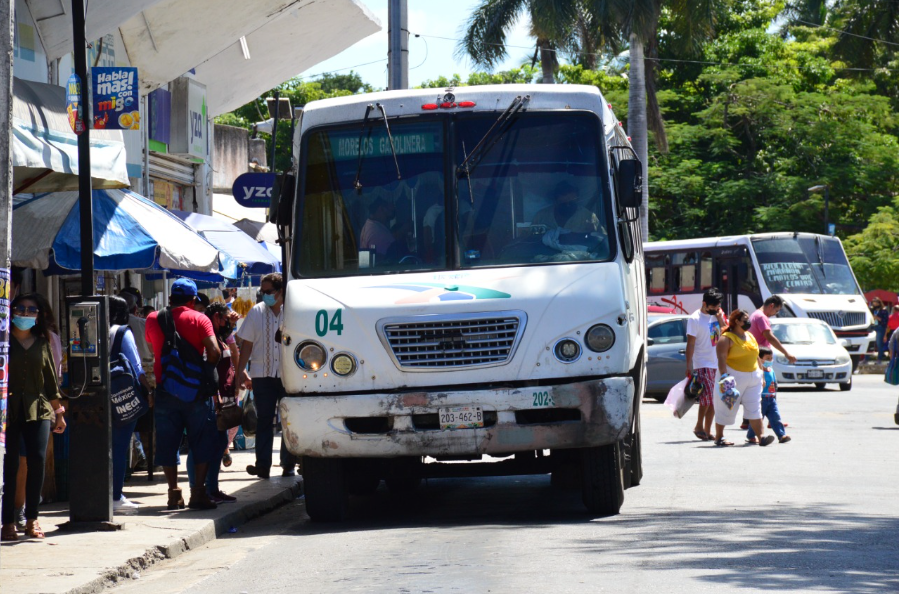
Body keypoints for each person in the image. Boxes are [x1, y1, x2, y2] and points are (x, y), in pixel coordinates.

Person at [145, 278, 222, 510]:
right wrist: (206, 368)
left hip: (165, 389)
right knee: (201, 440)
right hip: (196, 391)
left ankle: (173, 494)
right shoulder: (200, 318)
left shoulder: (153, 318)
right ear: (193, 299)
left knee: (168, 442)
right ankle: (198, 494)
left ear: (170, 298)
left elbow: (152, 348)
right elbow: (214, 350)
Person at [1, 294, 67, 541]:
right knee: (10, 465)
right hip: (8, 411)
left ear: (39, 315)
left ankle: (32, 519)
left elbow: (51, 383)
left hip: (38, 409)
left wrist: (59, 414)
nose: (26, 314)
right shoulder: (3, 342)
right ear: (12, 311)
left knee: (37, 461)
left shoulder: (42, 342)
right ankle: (7, 522)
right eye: (21, 309)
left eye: (32, 310)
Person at [236, 273, 299, 479]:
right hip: (261, 375)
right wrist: (240, 372)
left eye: (268, 291)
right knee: (264, 419)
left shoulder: (293, 312)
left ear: (281, 292)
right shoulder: (256, 312)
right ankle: (262, 465)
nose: (264, 295)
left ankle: (288, 463)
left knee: (289, 421)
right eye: (262, 291)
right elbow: (247, 345)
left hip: (288, 375)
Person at [186, 302, 238, 503]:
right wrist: (215, 397)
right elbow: (208, 370)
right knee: (201, 445)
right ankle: (198, 489)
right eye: (225, 320)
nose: (227, 324)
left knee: (219, 444)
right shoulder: (208, 339)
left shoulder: (219, 338)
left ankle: (213, 488)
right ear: (216, 317)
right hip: (211, 399)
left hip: (223, 400)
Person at [108, 296, 153, 513]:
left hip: (96, 396)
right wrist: (148, 391)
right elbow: (136, 366)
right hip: (121, 395)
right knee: (118, 447)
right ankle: (115, 495)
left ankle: (106, 492)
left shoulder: (96, 329)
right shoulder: (122, 332)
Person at [713, 309, 775, 447]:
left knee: (754, 407)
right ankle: (719, 437)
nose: (748, 322)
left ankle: (761, 437)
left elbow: (756, 356)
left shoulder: (750, 336)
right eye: (745, 320)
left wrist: (761, 373)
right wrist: (724, 378)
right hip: (734, 377)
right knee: (726, 407)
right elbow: (721, 359)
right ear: (736, 321)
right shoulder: (726, 338)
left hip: (754, 377)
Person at [685, 288, 728, 441]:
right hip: (703, 363)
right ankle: (698, 426)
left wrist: (720, 318)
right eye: (713, 307)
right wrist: (688, 365)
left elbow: (725, 333)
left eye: (718, 307)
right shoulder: (695, 318)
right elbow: (690, 344)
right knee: (707, 398)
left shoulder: (717, 316)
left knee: (715, 399)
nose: (716, 309)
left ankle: (707, 430)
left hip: (717, 362)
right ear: (704, 304)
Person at [746, 347, 791, 444]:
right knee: (757, 419)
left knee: (776, 418)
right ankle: (751, 436)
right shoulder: (757, 371)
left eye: (771, 358)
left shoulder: (771, 370)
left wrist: (774, 397)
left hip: (771, 399)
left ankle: (781, 435)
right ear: (759, 359)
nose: (770, 361)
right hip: (761, 399)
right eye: (767, 358)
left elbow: (774, 385)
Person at [531, 181, 599, 233]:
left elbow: (602, 240)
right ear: (555, 201)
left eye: (571, 202)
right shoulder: (541, 217)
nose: (568, 205)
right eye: (563, 203)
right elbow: (530, 238)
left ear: (577, 200)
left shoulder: (588, 217)